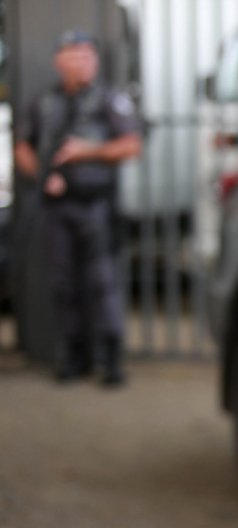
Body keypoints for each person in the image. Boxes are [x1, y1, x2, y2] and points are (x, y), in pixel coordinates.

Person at [13, 29, 141, 385]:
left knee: (102, 283)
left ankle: (111, 360)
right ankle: (73, 357)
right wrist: (41, 175)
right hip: (57, 207)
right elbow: (23, 145)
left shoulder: (108, 99)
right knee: (63, 283)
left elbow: (131, 145)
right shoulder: (44, 102)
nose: (82, 62)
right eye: (74, 55)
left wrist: (89, 152)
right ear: (59, 61)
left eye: (87, 56)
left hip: (95, 205)